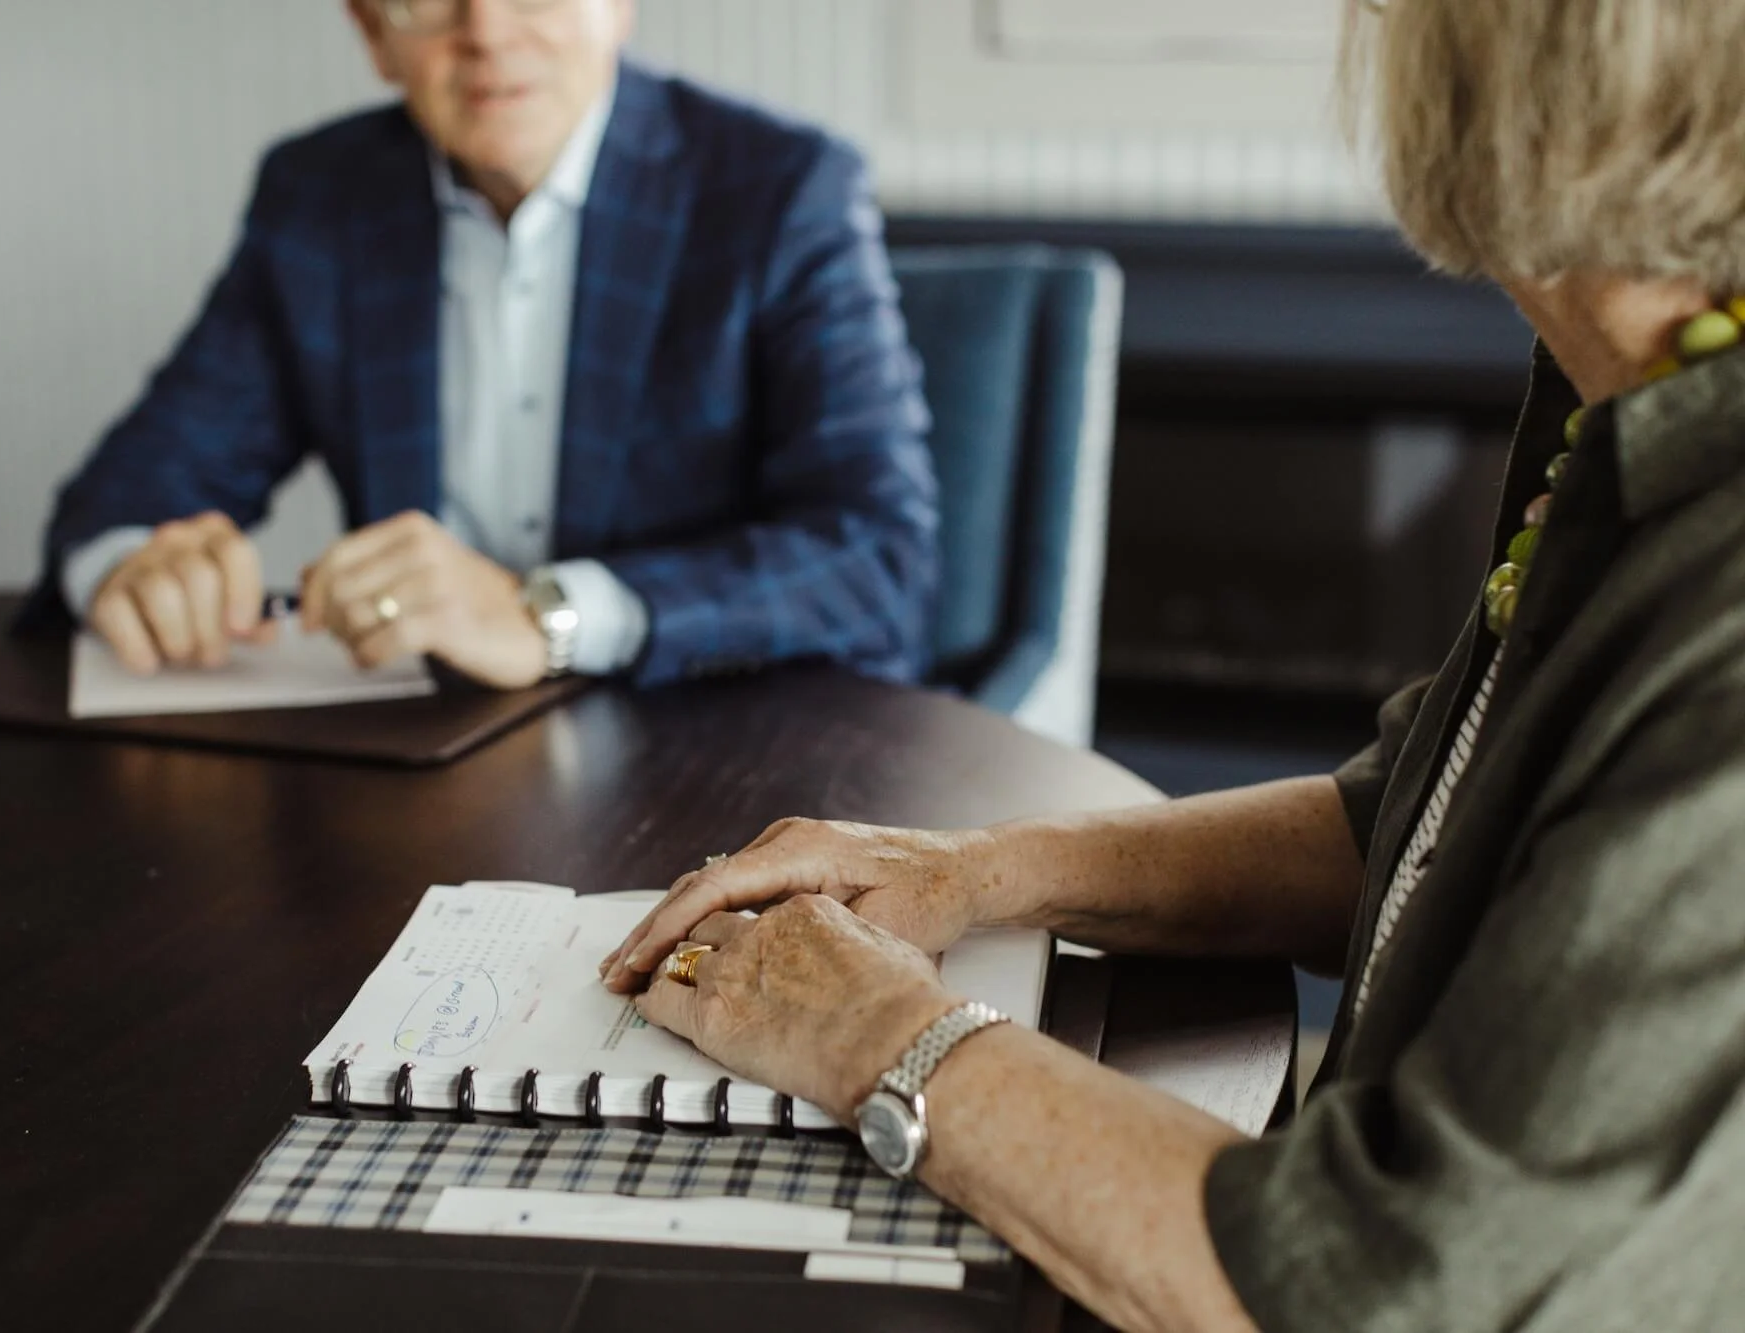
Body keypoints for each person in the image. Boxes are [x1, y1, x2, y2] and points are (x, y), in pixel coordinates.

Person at [600, 1, 1745, 1328]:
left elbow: (1366, 1282)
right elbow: (1409, 826)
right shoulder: (1619, 402)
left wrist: (873, 1035)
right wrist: (976, 871)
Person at [19, 0, 936, 692]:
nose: (487, 31)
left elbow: (877, 554)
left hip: (715, 740)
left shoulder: (783, 189)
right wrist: (137, 566)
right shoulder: (320, 196)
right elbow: (138, 484)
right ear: (372, 32)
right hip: (430, 756)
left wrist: (550, 616)